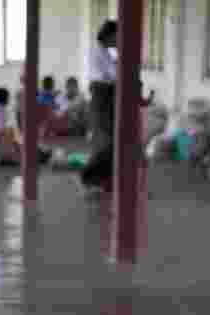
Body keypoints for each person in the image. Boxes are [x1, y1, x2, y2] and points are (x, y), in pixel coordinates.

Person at [77, 19, 118, 195]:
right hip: (102, 93)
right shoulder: (97, 51)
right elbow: (112, 75)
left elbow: (114, 74)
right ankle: (88, 176)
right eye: (117, 37)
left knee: (109, 139)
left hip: (106, 93)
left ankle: (100, 179)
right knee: (109, 139)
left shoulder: (105, 52)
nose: (119, 40)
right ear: (110, 35)